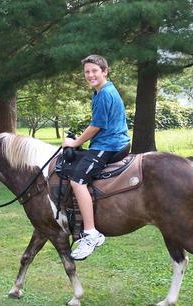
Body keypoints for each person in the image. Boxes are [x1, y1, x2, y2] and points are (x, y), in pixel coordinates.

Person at [62, 55, 130, 260]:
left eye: (94, 71)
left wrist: (74, 143)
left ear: (105, 71)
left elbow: (97, 126)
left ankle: (91, 233)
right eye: (87, 72)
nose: (90, 75)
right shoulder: (100, 91)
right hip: (108, 141)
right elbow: (97, 123)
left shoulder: (104, 94)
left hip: (109, 145)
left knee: (77, 181)